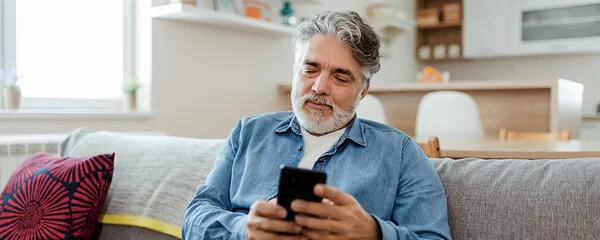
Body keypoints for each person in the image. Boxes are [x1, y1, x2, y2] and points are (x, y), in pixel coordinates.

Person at [182, 10, 451, 240]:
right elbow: (194, 219)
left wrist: (374, 232)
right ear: (294, 72)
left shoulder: (401, 153)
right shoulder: (247, 133)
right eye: (310, 69)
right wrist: (243, 230)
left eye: (341, 77)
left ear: (363, 90)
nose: (320, 87)